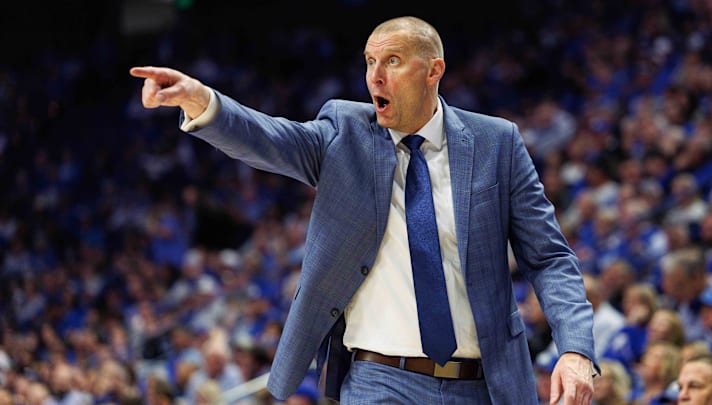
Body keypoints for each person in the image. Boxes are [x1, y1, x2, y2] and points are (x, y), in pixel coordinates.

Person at [130, 15, 597, 404]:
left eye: (392, 61)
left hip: (485, 384)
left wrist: (575, 350)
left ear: (434, 70)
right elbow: (267, 137)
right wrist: (200, 99)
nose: (375, 75)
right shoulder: (343, 132)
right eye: (370, 61)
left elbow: (550, 257)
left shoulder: (497, 143)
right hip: (377, 380)